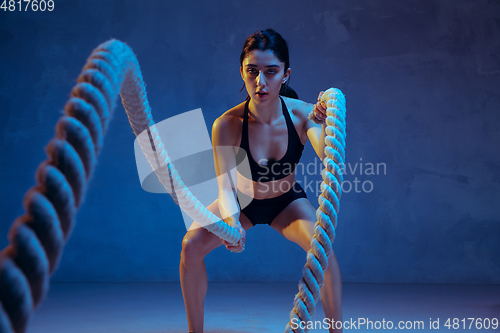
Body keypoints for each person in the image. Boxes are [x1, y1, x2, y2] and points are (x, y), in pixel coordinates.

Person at [180, 28, 342, 333]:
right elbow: (225, 188)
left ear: (285, 74)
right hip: (241, 204)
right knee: (190, 246)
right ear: (241, 71)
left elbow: (327, 155)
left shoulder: (303, 114)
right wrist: (231, 225)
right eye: (252, 71)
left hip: (286, 204)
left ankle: (338, 331)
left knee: (324, 252)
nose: (260, 82)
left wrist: (325, 119)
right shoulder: (226, 125)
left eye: (271, 72)